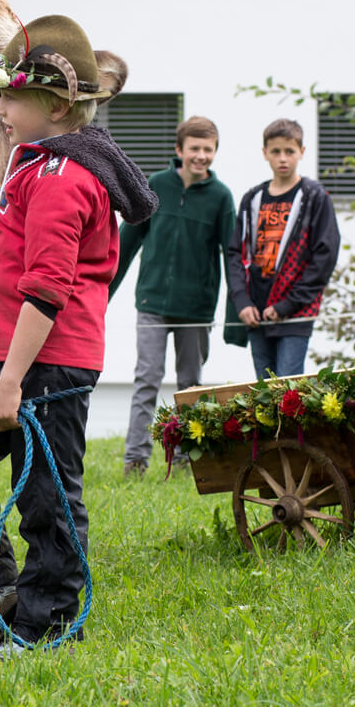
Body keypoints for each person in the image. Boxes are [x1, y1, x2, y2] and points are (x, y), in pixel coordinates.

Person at [0, 16, 157, 652]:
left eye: (12, 95)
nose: (0, 107)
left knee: (48, 494)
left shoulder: (61, 180)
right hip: (9, 355)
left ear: (55, 106)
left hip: (45, 365)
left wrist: (13, 381)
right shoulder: (32, 164)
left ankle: (48, 621)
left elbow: (48, 288)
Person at [109, 116, 236, 478]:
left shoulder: (221, 197)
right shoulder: (155, 185)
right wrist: (100, 295)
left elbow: (231, 257)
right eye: (194, 148)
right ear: (179, 150)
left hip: (195, 309)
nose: (201, 156)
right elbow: (125, 244)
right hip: (151, 303)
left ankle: (185, 458)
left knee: (190, 386)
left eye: (207, 149)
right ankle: (135, 459)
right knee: (146, 379)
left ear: (215, 152)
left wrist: (233, 313)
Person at [226, 118, 340, 379]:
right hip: (257, 309)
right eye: (275, 151)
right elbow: (236, 253)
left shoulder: (315, 197)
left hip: (295, 312)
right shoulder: (252, 198)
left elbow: (325, 255)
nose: (283, 158)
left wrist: (288, 304)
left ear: (302, 152)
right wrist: (242, 302)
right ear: (265, 153)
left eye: (289, 151)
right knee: (265, 392)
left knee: (289, 388)